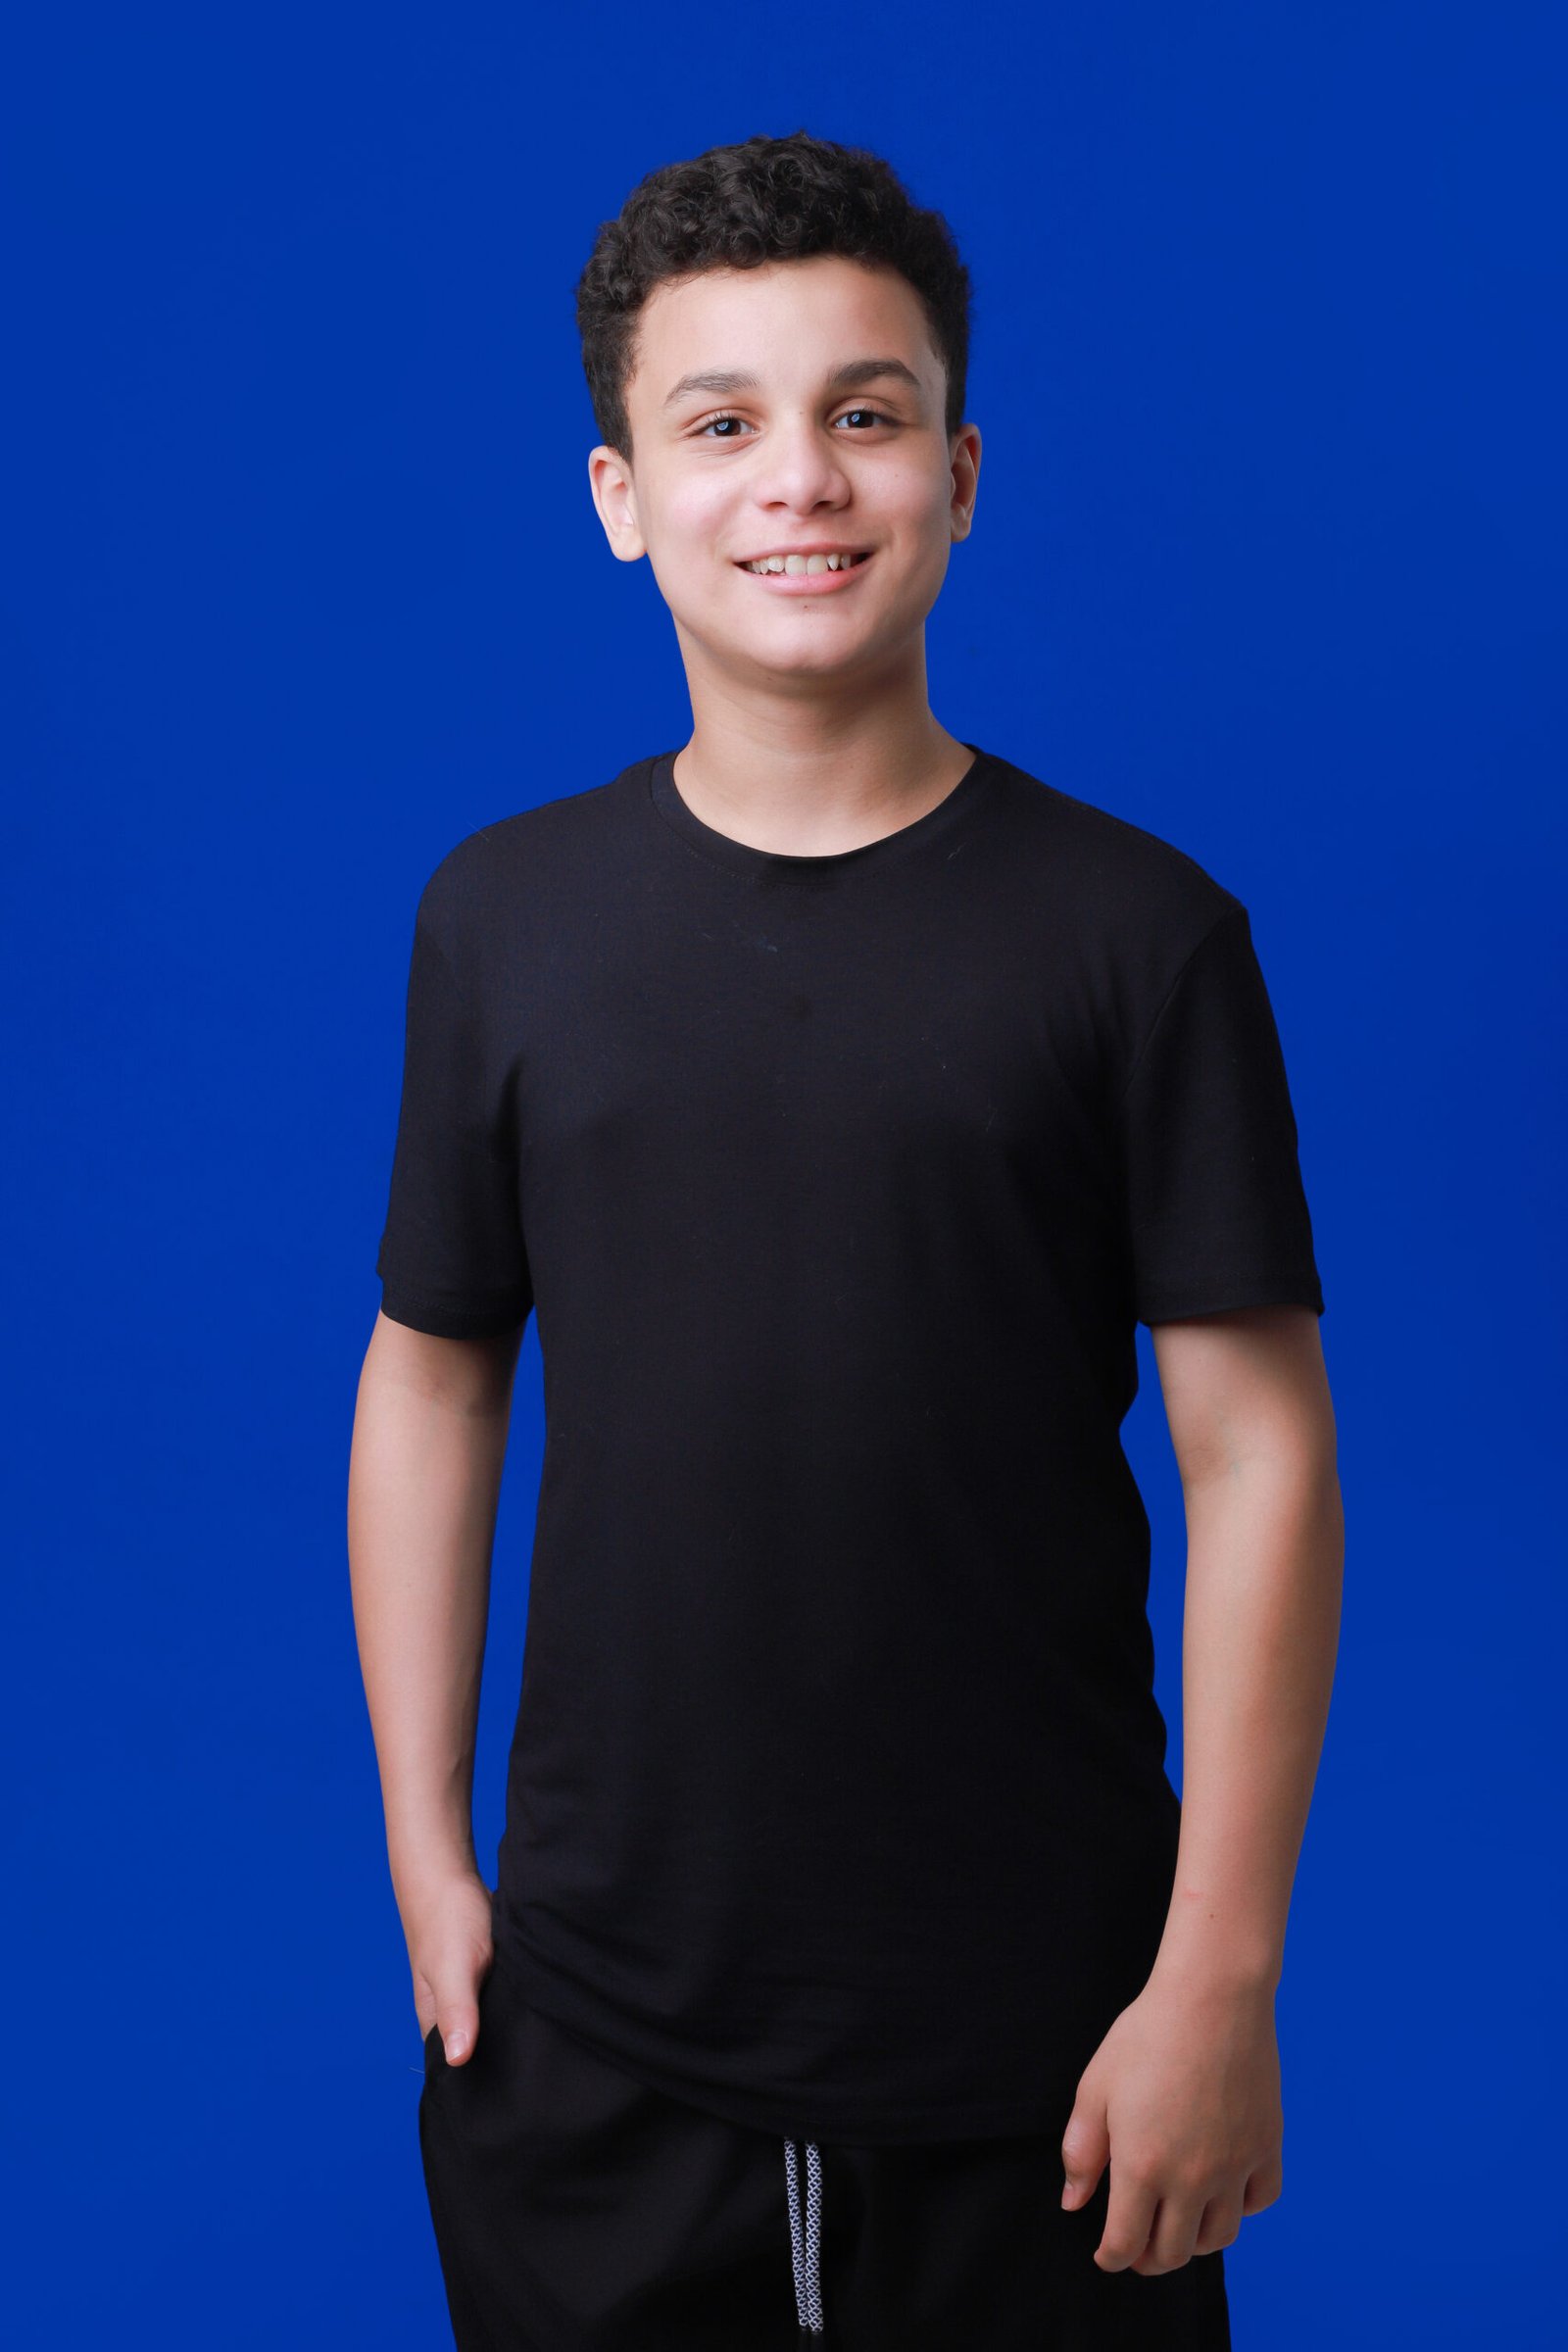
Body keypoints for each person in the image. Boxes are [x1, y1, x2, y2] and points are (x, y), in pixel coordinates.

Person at [347, 127, 1344, 2352]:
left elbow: (1258, 1453)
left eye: (864, 414)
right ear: (620, 494)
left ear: (959, 475)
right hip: (594, 2033)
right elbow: (434, 1369)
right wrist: (424, 1848)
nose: (799, 477)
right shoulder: (502, 921)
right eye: (721, 425)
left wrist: (1216, 1976)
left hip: (1050, 2048)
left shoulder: (1139, 938)